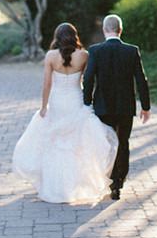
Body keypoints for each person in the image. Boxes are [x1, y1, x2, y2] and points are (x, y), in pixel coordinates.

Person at [12, 22, 118, 204]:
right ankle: (75, 186)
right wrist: (88, 103)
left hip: (58, 102)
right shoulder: (84, 55)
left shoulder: (50, 56)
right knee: (76, 143)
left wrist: (44, 107)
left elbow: (47, 84)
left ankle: (54, 187)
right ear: (74, 36)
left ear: (57, 37)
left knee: (56, 142)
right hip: (76, 100)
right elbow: (88, 81)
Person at [82, 14, 150, 201]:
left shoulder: (95, 50)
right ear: (120, 30)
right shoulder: (132, 51)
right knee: (123, 142)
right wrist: (145, 106)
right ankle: (118, 181)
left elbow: (88, 78)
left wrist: (86, 103)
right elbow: (141, 80)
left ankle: (110, 178)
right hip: (126, 106)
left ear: (104, 30)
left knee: (106, 143)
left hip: (102, 106)